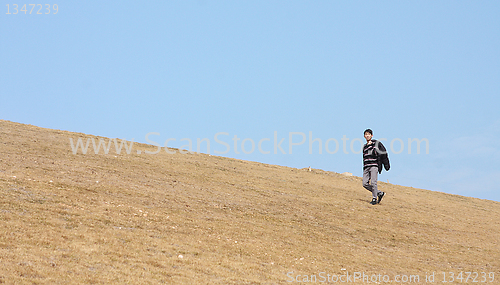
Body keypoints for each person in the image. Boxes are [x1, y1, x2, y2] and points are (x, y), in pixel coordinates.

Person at [362, 129, 390, 205]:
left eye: (369, 134)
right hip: (366, 167)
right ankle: (379, 193)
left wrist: (386, 165)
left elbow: (381, 153)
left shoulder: (375, 144)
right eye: (366, 134)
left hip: (374, 166)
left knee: (373, 183)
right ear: (364, 136)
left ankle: (374, 198)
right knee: (364, 183)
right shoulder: (364, 147)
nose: (367, 135)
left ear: (372, 135)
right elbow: (364, 158)